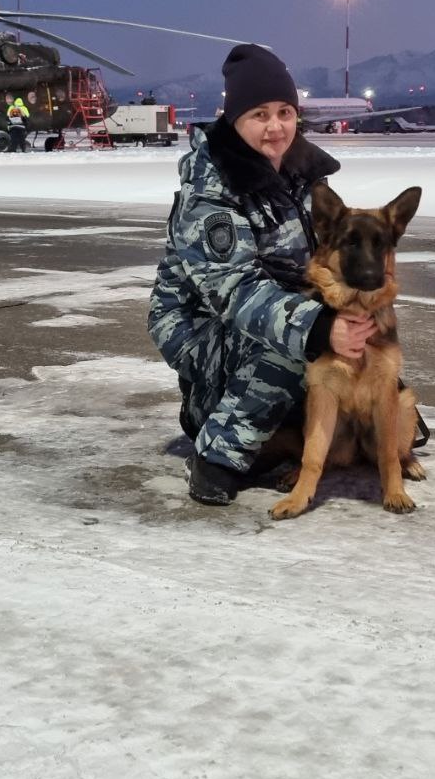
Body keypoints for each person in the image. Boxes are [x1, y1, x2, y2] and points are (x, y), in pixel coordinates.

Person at [148, 44, 376, 505]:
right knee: (295, 344)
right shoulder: (211, 193)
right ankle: (217, 451)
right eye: (259, 114)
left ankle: (288, 428)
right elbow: (234, 291)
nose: (276, 127)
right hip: (200, 328)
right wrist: (319, 329)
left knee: (352, 336)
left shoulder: (303, 177)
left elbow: (332, 256)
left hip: (271, 310)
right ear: (234, 120)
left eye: (285, 112)